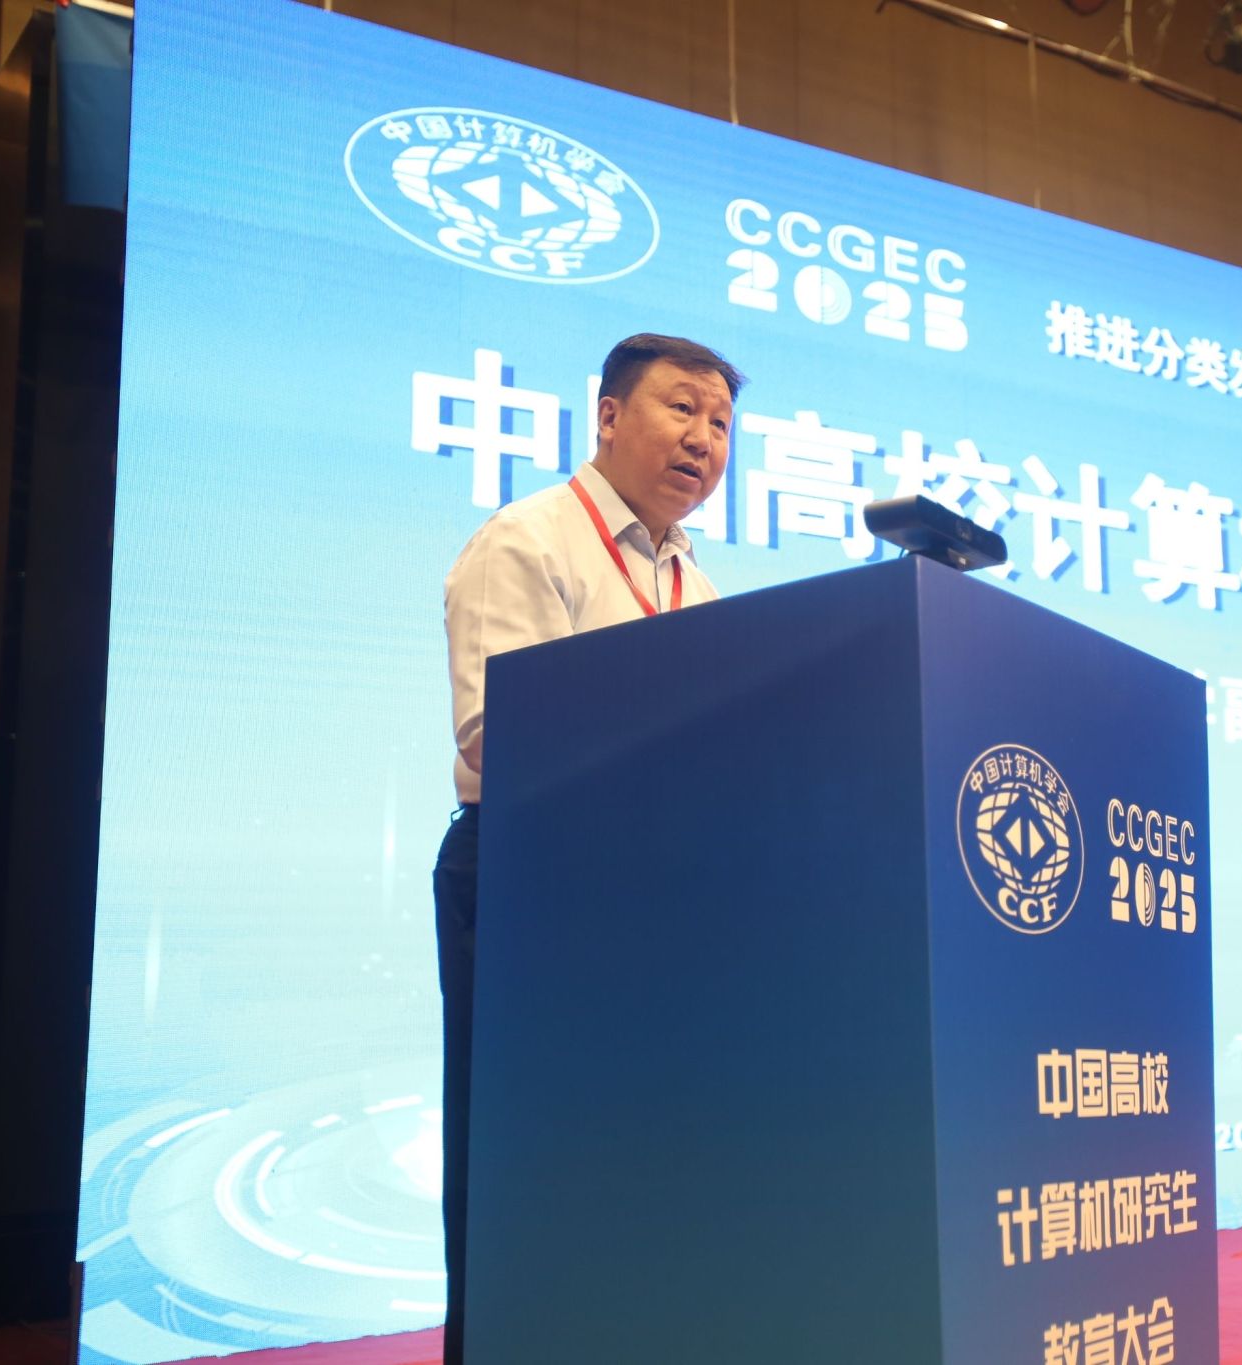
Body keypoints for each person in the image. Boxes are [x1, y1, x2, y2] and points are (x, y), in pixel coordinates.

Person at [431, 332, 743, 1363]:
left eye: (720, 423)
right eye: (682, 408)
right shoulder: (529, 539)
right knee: (520, 1168)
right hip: (532, 879)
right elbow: (500, 732)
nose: (703, 439)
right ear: (607, 416)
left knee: (634, 1162)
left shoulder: (694, 582)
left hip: (654, 896)